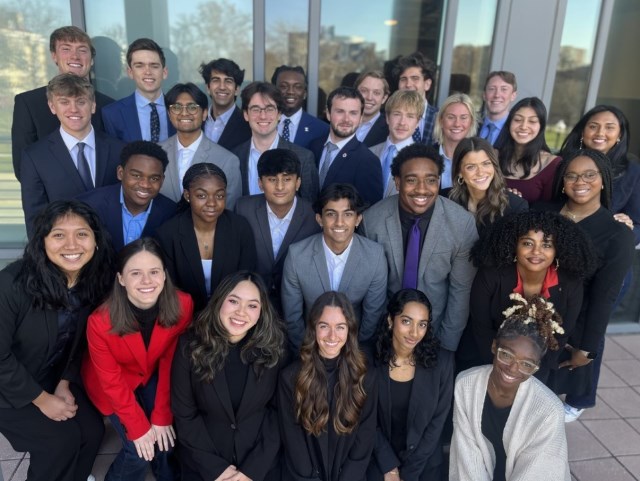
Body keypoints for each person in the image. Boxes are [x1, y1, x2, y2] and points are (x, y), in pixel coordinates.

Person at [0, 200, 114, 481]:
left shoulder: (92, 282)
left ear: (96, 240)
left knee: (92, 431)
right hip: (8, 387)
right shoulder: (12, 284)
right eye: (59, 234)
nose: (72, 245)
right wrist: (41, 399)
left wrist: (63, 382)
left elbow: (79, 343)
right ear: (42, 241)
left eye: (82, 234)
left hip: (50, 377)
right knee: (57, 442)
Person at [82, 237, 193, 481]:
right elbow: (111, 381)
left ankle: (167, 476)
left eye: (154, 271)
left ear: (164, 275)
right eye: (135, 273)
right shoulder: (100, 321)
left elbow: (169, 363)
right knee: (138, 450)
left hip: (150, 373)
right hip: (111, 386)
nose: (146, 281)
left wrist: (161, 415)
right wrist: (138, 426)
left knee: (166, 438)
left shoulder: (183, 304)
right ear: (121, 279)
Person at [360, 143, 478, 353]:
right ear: (397, 182)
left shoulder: (462, 224)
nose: (422, 189)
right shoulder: (372, 221)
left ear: (439, 181)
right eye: (412, 180)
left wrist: (446, 348)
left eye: (431, 180)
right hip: (383, 331)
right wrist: (370, 342)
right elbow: (369, 289)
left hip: (435, 331)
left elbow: (461, 292)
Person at [171, 271, 286, 481]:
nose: (241, 312)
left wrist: (251, 471)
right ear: (219, 301)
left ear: (262, 311)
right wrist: (218, 471)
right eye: (234, 301)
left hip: (260, 465)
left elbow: (279, 414)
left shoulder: (275, 350)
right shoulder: (189, 346)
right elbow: (185, 415)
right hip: (204, 464)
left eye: (252, 305)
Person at [548, 149, 635, 421]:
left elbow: (604, 297)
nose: (579, 181)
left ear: (603, 180)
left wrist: (588, 349)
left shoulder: (617, 233)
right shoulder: (541, 213)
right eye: (571, 175)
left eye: (589, 175)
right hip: (524, 322)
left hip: (569, 331)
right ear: (562, 181)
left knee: (543, 407)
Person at [460, 211, 597, 381]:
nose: (536, 252)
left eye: (546, 245)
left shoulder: (570, 283)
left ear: (557, 250)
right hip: (488, 357)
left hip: (537, 364)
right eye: (527, 243)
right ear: (514, 245)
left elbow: (561, 334)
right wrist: (503, 369)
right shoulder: (491, 275)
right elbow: (481, 328)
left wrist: (533, 372)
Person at [450, 294, 571, 481]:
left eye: (527, 364)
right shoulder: (466, 384)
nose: (513, 369)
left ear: (537, 366)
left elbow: (537, 473)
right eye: (506, 355)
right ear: (494, 346)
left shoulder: (549, 411)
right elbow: (467, 455)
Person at [278, 291, 377, 481]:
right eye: (324, 326)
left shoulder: (366, 376)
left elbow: (365, 435)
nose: (332, 335)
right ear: (313, 328)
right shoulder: (290, 377)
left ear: (350, 330)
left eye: (340, 327)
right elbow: (293, 438)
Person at [281, 183, 387, 354]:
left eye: (348, 214)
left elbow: (372, 315)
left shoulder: (374, 256)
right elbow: (292, 318)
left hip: (355, 348)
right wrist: (308, 353)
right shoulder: (297, 255)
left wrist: (352, 352)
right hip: (308, 348)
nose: (339, 222)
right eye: (331, 214)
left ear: (358, 219)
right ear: (319, 219)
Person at [20, 73, 124, 239]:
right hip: (66, 253)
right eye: (64, 102)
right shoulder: (34, 157)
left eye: (81, 101)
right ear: (52, 107)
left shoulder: (119, 149)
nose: (73, 109)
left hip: (113, 251)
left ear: (93, 106)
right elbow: (35, 218)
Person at [368, 289, 454, 481]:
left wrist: (408, 474)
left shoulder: (443, 363)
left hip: (424, 462)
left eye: (422, 324)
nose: (414, 333)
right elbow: (365, 419)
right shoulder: (368, 360)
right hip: (378, 458)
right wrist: (389, 467)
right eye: (406, 321)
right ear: (391, 321)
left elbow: (437, 423)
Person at [12, 26, 114, 181]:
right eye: (66, 49)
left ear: (91, 59)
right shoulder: (28, 103)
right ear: (54, 56)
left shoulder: (110, 106)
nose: (75, 56)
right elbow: (23, 168)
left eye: (82, 50)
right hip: (54, 202)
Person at [155, 162, 257, 313]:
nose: (212, 203)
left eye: (219, 196)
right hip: (184, 316)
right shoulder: (168, 233)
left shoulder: (240, 228)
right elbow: (170, 290)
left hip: (231, 315)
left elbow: (247, 280)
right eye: (202, 195)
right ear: (188, 195)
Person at [235, 149, 320, 313]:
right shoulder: (243, 208)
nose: (280, 186)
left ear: (298, 182)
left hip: (297, 305)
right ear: (260, 183)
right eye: (272, 179)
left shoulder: (314, 216)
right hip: (252, 301)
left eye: (287, 179)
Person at [77, 140, 177, 252]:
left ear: (162, 180)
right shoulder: (88, 206)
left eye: (154, 179)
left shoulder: (172, 214)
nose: (145, 184)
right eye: (136, 175)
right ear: (120, 173)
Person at [560, 105, 640, 243]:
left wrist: (627, 228)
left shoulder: (632, 172)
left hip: (605, 250)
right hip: (559, 243)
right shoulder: (560, 163)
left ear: (620, 134)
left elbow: (638, 227)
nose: (600, 133)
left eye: (609, 127)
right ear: (582, 131)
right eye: (593, 126)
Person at [159, 82, 242, 209]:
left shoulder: (227, 160)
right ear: (169, 114)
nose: (184, 113)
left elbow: (228, 211)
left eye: (192, 107)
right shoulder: (157, 153)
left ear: (204, 114)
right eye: (177, 107)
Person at [233, 81, 319, 202]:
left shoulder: (303, 157)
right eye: (256, 109)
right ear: (246, 115)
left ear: (279, 114)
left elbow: (310, 207)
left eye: (269, 109)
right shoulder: (235, 157)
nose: (263, 116)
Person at [309, 87, 383, 205]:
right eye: (340, 111)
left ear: (360, 118)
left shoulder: (368, 161)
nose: (346, 119)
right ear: (328, 114)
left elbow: (370, 209)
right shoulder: (313, 146)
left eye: (353, 113)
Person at [445, 137, 528, 237]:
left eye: (486, 164)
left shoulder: (515, 207)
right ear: (460, 172)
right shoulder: (445, 200)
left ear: (494, 166)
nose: (480, 172)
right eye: (471, 167)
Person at [102, 38, 175, 143]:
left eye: (154, 66)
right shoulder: (112, 114)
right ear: (130, 72)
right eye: (139, 66)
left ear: (164, 72)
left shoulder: (180, 110)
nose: (148, 72)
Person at [495, 97, 560, 203]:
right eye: (517, 120)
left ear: (541, 126)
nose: (524, 126)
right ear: (509, 123)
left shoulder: (553, 164)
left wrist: (517, 204)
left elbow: (549, 211)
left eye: (532, 121)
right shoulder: (493, 156)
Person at [370, 90, 425, 197]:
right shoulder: (368, 152)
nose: (402, 122)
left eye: (410, 116)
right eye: (397, 114)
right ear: (387, 118)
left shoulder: (423, 161)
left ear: (418, 122)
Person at [271, 65, 329, 149]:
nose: (290, 92)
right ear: (275, 91)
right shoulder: (262, 123)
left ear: (305, 93)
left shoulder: (322, 130)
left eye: (297, 87)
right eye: (284, 86)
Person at [200, 58, 252, 151]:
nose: (222, 87)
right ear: (208, 88)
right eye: (216, 80)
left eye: (228, 81)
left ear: (237, 89)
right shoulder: (197, 121)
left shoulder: (248, 125)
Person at [432, 93, 478, 189]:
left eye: (463, 118)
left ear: (471, 122)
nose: (457, 124)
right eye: (451, 117)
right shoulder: (426, 157)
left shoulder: (479, 159)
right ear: (441, 121)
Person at [394, 51, 438, 146]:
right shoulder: (389, 117)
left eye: (415, 78)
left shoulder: (440, 118)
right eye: (403, 79)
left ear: (427, 84)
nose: (408, 84)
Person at [478, 71, 518, 145]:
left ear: (513, 96)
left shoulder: (517, 131)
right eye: (492, 89)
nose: (497, 95)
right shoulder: (472, 124)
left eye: (504, 89)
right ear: (484, 95)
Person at [354, 71, 390, 147]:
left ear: (384, 98)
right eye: (364, 91)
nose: (369, 97)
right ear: (355, 93)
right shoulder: (339, 121)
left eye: (376, 93)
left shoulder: (389, 130)